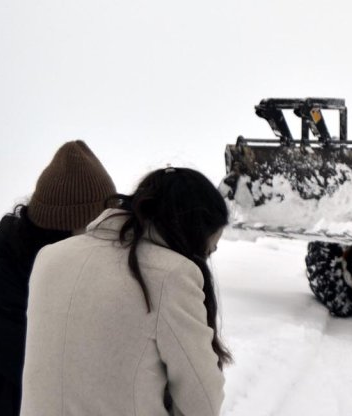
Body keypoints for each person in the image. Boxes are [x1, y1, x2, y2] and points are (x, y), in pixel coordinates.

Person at [21, 167, 230, 415]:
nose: (207, 259)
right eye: (208, 251)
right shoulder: (171, 275)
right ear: (191, 234)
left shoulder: (50, 256)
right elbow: (202, 403)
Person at [0, 140, 118, 416]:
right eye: (94, 230)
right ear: (63, 228)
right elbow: (50, 370)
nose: (103, 241)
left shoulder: (51, 266)